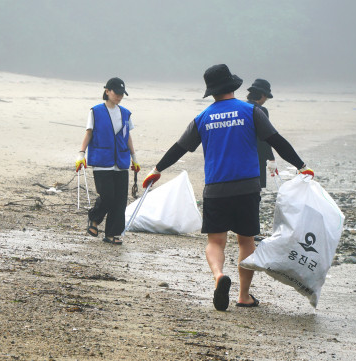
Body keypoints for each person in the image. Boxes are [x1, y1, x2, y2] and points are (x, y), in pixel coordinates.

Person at [142, 64, 313, 311]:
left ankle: (219, 277)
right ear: (233, 86)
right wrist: (301, 165)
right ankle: (244, 296)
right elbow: (277, 141)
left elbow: (179, 148)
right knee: (246, 241)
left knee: (216, 241)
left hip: (216, 188)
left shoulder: (202, 118)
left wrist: (156, 170)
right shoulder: (251, 111)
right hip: (246, 187)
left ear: (211, 91)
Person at [75, 77, 141, 246]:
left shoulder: (125, 113)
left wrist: (134, 158)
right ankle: (94, 219)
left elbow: (127, 137)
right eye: (116, 92)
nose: (119, 96)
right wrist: (81, 154)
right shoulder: (95, 111)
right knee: (107, 196)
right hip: (101, 160)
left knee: (120, 200)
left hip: (121, 161)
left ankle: (112, 233)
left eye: (122, 94)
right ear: (107, 91)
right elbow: (89, 133)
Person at [246, 79, 277, 189]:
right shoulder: (261, 110)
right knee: (255, 189)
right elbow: (265, 137)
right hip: (257, 156)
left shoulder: (242, 108)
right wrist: (271, 158)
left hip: (242, 155)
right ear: (263, 95)